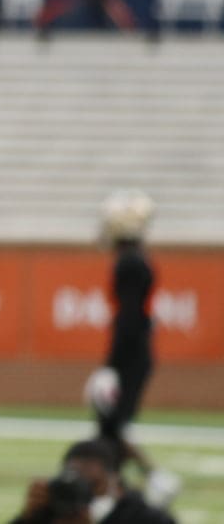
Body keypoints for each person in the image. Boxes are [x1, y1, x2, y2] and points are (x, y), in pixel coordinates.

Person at [89, 190, 180, 505]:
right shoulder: (135, 259)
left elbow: (128, 319)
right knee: (112, 425)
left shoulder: (129, 263)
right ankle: (117, 484)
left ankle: (148, 480)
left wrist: (110, 366)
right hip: (136, 351)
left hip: (131, 353)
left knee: (112, 425)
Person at [8, 438, 178, 524]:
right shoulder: (52, 513)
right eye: (79, 483)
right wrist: (26, 518)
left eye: (94, 485)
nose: (85, 495)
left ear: (115, 482)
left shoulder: (144, 517)